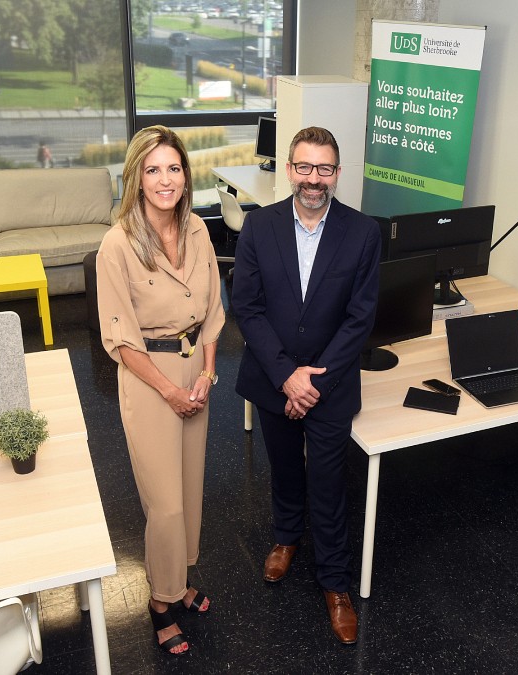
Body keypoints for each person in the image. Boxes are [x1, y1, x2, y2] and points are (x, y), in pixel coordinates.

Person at [231, 126, 381, 645]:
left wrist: (313, 382)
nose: (313, 179)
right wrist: (286, 377)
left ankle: (335, 584)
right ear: (290, 169)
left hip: (331, 384)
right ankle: (286, 538)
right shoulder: (257, 227)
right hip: (274, 377)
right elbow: (245, 308)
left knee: (329, 484)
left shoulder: (363, 233)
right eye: (303, 167)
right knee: (283, 468)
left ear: (337, 174)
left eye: (324, 169)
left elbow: (360, 319)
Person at [95, 125, 225, 656]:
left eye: (173, 168)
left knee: (191, 494)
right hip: (151, 378)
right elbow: (120, 340)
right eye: (153, 169)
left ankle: (180, 583)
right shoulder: (118, 243)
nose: (165, 179)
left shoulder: (197, 229)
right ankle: (159, 601)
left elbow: (214, 311)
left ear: (185, 176)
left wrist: (208, 375)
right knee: (165, 504)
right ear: (136, 177)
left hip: (197, 373)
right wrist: (171, 391)